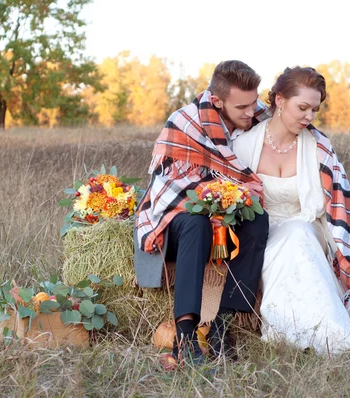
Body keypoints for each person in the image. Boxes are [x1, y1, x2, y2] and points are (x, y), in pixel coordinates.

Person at [135, 60, 270, 365]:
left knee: (257, 217)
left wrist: (227, 200)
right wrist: (210, 203)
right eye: (242, 107)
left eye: (254, 103)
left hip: (220, 202)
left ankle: (221, 323)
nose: (251, 112)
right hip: (177, 209)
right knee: (197, 224)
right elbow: (170, 185)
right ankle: (184, 337)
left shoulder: (252, 110)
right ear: (218, 100)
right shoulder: (186, 121)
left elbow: (280, 118)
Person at [232, 67, 350, 354]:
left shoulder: (318, 147)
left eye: (315, 110)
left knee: (297, 234)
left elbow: (335, 205)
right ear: (280, 101)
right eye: (302, 107)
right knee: (287, 241)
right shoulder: (243, 145)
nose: (309, 117)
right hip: (261, 235)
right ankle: (290, 330)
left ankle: (333, 337)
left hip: (308, 228)